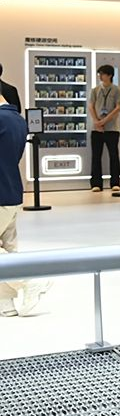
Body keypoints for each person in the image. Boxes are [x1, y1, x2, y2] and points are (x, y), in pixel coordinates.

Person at [0, 95, 41, 316]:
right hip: (12, 191)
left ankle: (29, 281)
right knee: (9, 248)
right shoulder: (17, 119)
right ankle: (6, 304)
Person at [88, 63, 120, 192]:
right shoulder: (95, 90)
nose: (100, 76)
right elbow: (91, 106)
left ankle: (115, 183)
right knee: (96, 156)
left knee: (114, 156)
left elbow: (117, 108)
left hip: (112, 128)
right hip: (96, 129)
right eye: (100, 74)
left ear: (110, 75)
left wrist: (104, 121)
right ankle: (96, 183)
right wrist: (96, 121)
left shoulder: (116, 90)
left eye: (102, 74)